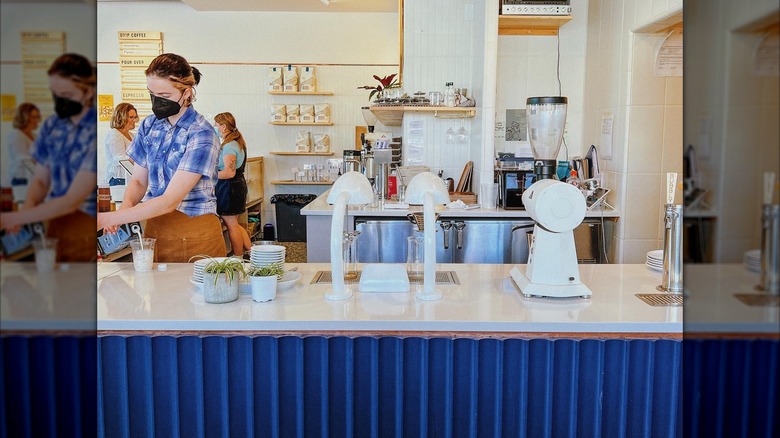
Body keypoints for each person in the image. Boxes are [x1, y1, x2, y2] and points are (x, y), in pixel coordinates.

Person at [97, 53, 226, 262]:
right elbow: (138, 182)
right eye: (152, 93)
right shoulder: (149, 126)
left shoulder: (201, 133)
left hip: (196, 234)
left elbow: (169, 201)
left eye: (164, 95)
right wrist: (123, 212)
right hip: (155, 230)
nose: (157, 101)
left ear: (186, 93)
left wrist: (107, 218)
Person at [0, 53, 98, 262]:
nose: (59, 100)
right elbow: (41, 181)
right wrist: (25, 213)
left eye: (66, 94)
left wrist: (12, 218)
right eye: (55, 94)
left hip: (85, 228)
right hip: (55, 225)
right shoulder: (51, 126)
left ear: (87, 92)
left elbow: (72, 201)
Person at [214, 112, 251, 256]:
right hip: (234, 187)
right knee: (234, 223)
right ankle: (252, 252)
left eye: (216, 124)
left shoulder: (229, 146)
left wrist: (208, 176)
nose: (214, 127)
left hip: (229, 188)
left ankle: (238, 257)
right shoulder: (236, 142)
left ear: (223, 127)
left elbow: (229, 173)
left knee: (232, 225)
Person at [5, 103, 41, 186]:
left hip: (33, 177)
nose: (37, 120)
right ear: (24, 117)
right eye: (33, 117)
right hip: (21, 178)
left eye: (38, 117)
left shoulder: (35, 136)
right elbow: (24, 160)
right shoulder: (16, 135)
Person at [104, 102, 138, 186]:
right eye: (131, 117)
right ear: (121, 117)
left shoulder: (132, 135)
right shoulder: (115, 134)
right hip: (118, 179)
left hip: (129, 177)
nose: (134, 120)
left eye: (135, 117)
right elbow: (119, 158)